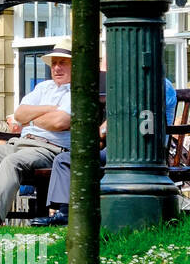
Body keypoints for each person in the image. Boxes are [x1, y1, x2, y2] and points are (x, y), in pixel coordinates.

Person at [29, 74, 177, 227]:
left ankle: (64, 214)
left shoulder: (152, 86)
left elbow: (126, 120)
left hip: (131, 152)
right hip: (131, 149)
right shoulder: (147, 85)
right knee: (66, 158)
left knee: (65, 159)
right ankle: (64, 212)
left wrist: (102, 132)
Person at [0, 41, 72, 227]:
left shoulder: (76, 91)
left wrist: (31, 119)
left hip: (50, 149)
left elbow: (59, 122)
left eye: (63, 62)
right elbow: (19, 114)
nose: (57, 68)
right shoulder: (43, 87)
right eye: (54, 63)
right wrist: (51, 109)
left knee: (12, 162)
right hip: (20, 143)